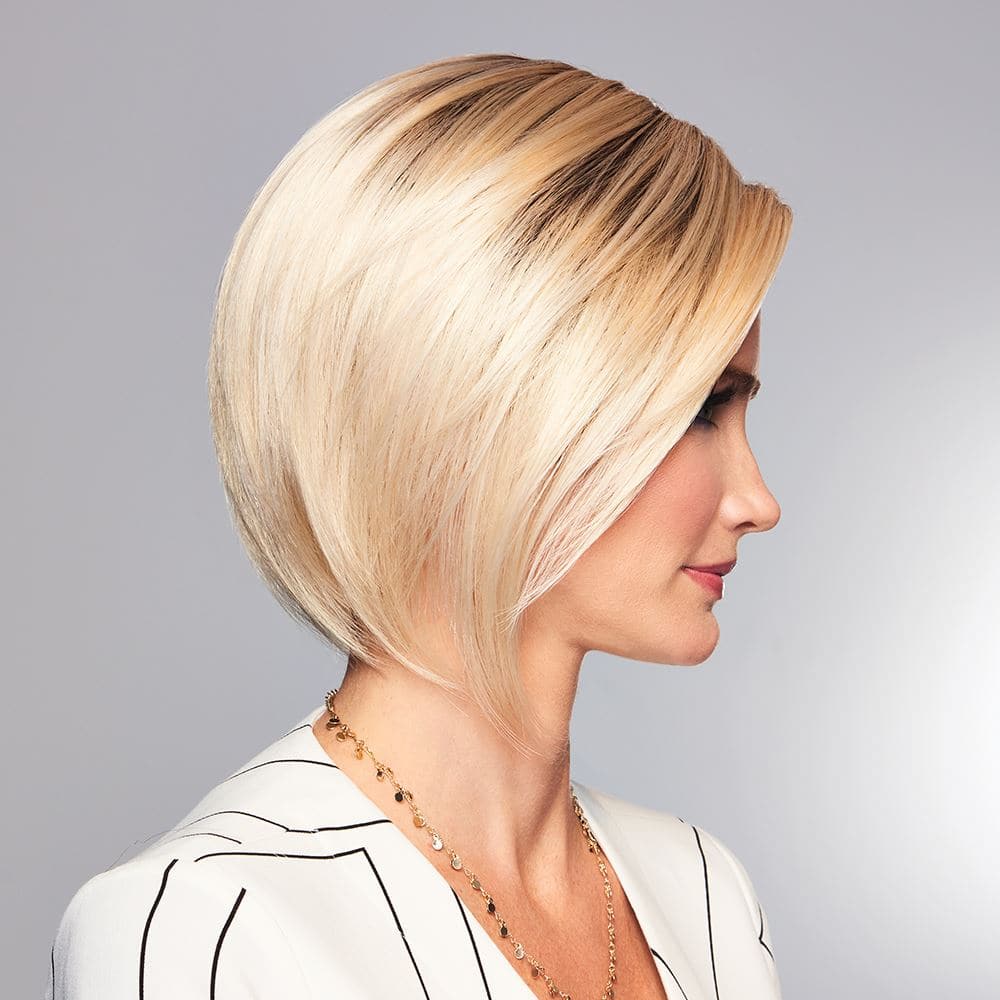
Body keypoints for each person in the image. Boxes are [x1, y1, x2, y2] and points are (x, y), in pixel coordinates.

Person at [45, 52, 792, 999]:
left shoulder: (704, 894)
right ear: (490, 409)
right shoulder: (213, 924)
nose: (758, 501)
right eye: (700, 410)